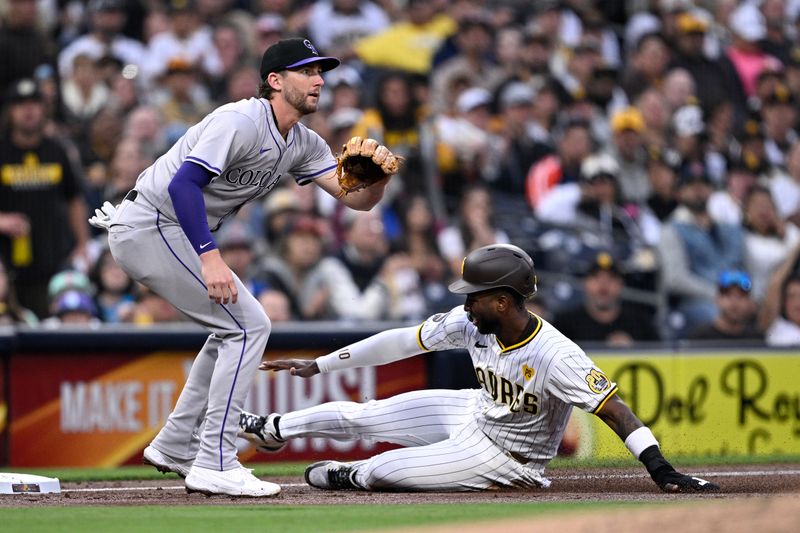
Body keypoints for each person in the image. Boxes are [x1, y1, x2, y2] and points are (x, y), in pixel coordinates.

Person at [91, 38, 395, 497]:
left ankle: (176, 443)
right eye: (307, 71)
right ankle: (215, 459)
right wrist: (210, 257)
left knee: (232, 329)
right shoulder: (240, 119)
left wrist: (379, 181)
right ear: (275, 81)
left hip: (170, 231)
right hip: (152, 223)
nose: (318, 80)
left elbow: (355, 199)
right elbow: (184, 185)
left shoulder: (303, 142)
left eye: (321, 72)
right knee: (250, 326)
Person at [238, 244, 719, 494]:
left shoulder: (556, 353)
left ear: (503, 301)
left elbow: (615, 410)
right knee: (365, 414)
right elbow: (401, 342)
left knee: (380, 471)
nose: (465, 302)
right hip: (476, 411)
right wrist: (320, 365)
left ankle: (353, 475)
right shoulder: (471, 322)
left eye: (474, 294)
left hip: (511, 460)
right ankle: (274, 428)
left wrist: (661, 469)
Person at [0, 78, 90, 318]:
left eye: (34, 103)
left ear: (44, 109)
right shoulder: (2, 151)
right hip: (7, 267)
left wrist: (82, 244)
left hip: (52, 261)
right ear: (10, 111)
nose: (28, 110)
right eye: (20, 104)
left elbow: (74, 199)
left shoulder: (57, 151)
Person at [553, 252, 660, 346]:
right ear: (585, 283)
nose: (603, 284)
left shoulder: (641, 323)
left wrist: (634, 350)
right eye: (596, 277)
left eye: (611, 277)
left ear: (620, 284)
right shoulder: (564, 324)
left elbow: (661, 357)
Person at [687, 270, 763, 341]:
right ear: (717, 299)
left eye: (741, 296)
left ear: (750, 301)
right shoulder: (700, 338)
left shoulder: (757, 338)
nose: (734, 302)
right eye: (727, 295)